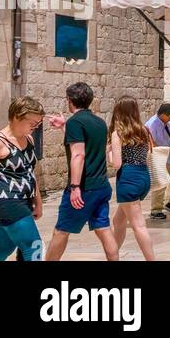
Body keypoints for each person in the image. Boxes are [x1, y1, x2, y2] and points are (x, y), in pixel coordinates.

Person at [45, 82, 117, 261]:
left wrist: (75, 187)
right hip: (101, 186)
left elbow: (79, 155)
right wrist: (64, 127)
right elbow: (86, 143)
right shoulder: (99, 122)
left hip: (84, 188)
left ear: (70, 100)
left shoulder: (75, 122)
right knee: (103, 229)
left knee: (61, 231)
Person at [0, 96, 45, 261]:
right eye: (32, 123)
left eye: (38, 124)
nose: (35, 127)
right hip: (7, 201)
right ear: (16, 117)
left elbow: (30, 172)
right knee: (33, 246)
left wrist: (38, 202)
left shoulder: (28, 139)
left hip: (23, 201)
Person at [107, 96, 155, 261]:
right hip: (143, 177)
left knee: (138, 225)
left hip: (128, 178)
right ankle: (112, 256)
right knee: (118, 221)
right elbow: (148, 154)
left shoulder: (117, 133)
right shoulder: (143, 129)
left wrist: (110, 154)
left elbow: (117, 164)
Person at [145, 103, 170, 220]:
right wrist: (169, 149)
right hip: (158, 158)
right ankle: (156, 210)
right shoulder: (153, 124)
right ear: (163, 114)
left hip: (167, 158)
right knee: (160, 184)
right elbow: (151, 142)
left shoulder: (165, 123)